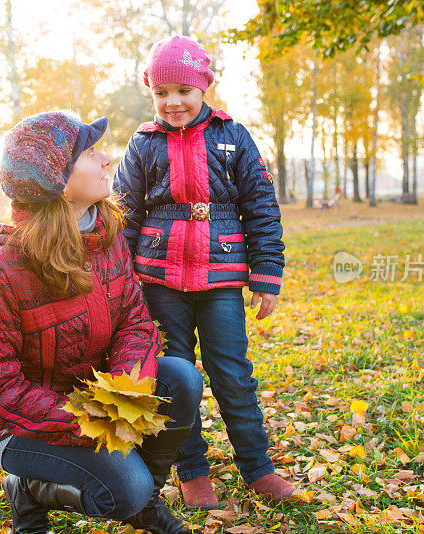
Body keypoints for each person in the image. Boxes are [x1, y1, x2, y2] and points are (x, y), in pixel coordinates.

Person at [0, 111, 203, 534]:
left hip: (93, 400)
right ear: (57, 180)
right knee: (122, 490)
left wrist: (124, 393)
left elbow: (135, 322)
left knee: (180, 378)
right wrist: (87, 419)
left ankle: (144, 507)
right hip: (21, 429)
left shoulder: (106, 237)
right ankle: (27, 489)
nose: (107, 159)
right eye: (90, 152)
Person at [113, 36, 296, 510]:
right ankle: (192, 470)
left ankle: (257, 467)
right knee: (176, 376)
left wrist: (267, 275)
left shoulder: (233, 136)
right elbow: (125, 212)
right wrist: (120, 280)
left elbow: (260, 208)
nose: (173, 102)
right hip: (158, 280)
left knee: (232, 374)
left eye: (183, 91)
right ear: (151, 93)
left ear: (203, 87)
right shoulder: (143, 144)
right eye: (161, 93)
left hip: (221, 280)